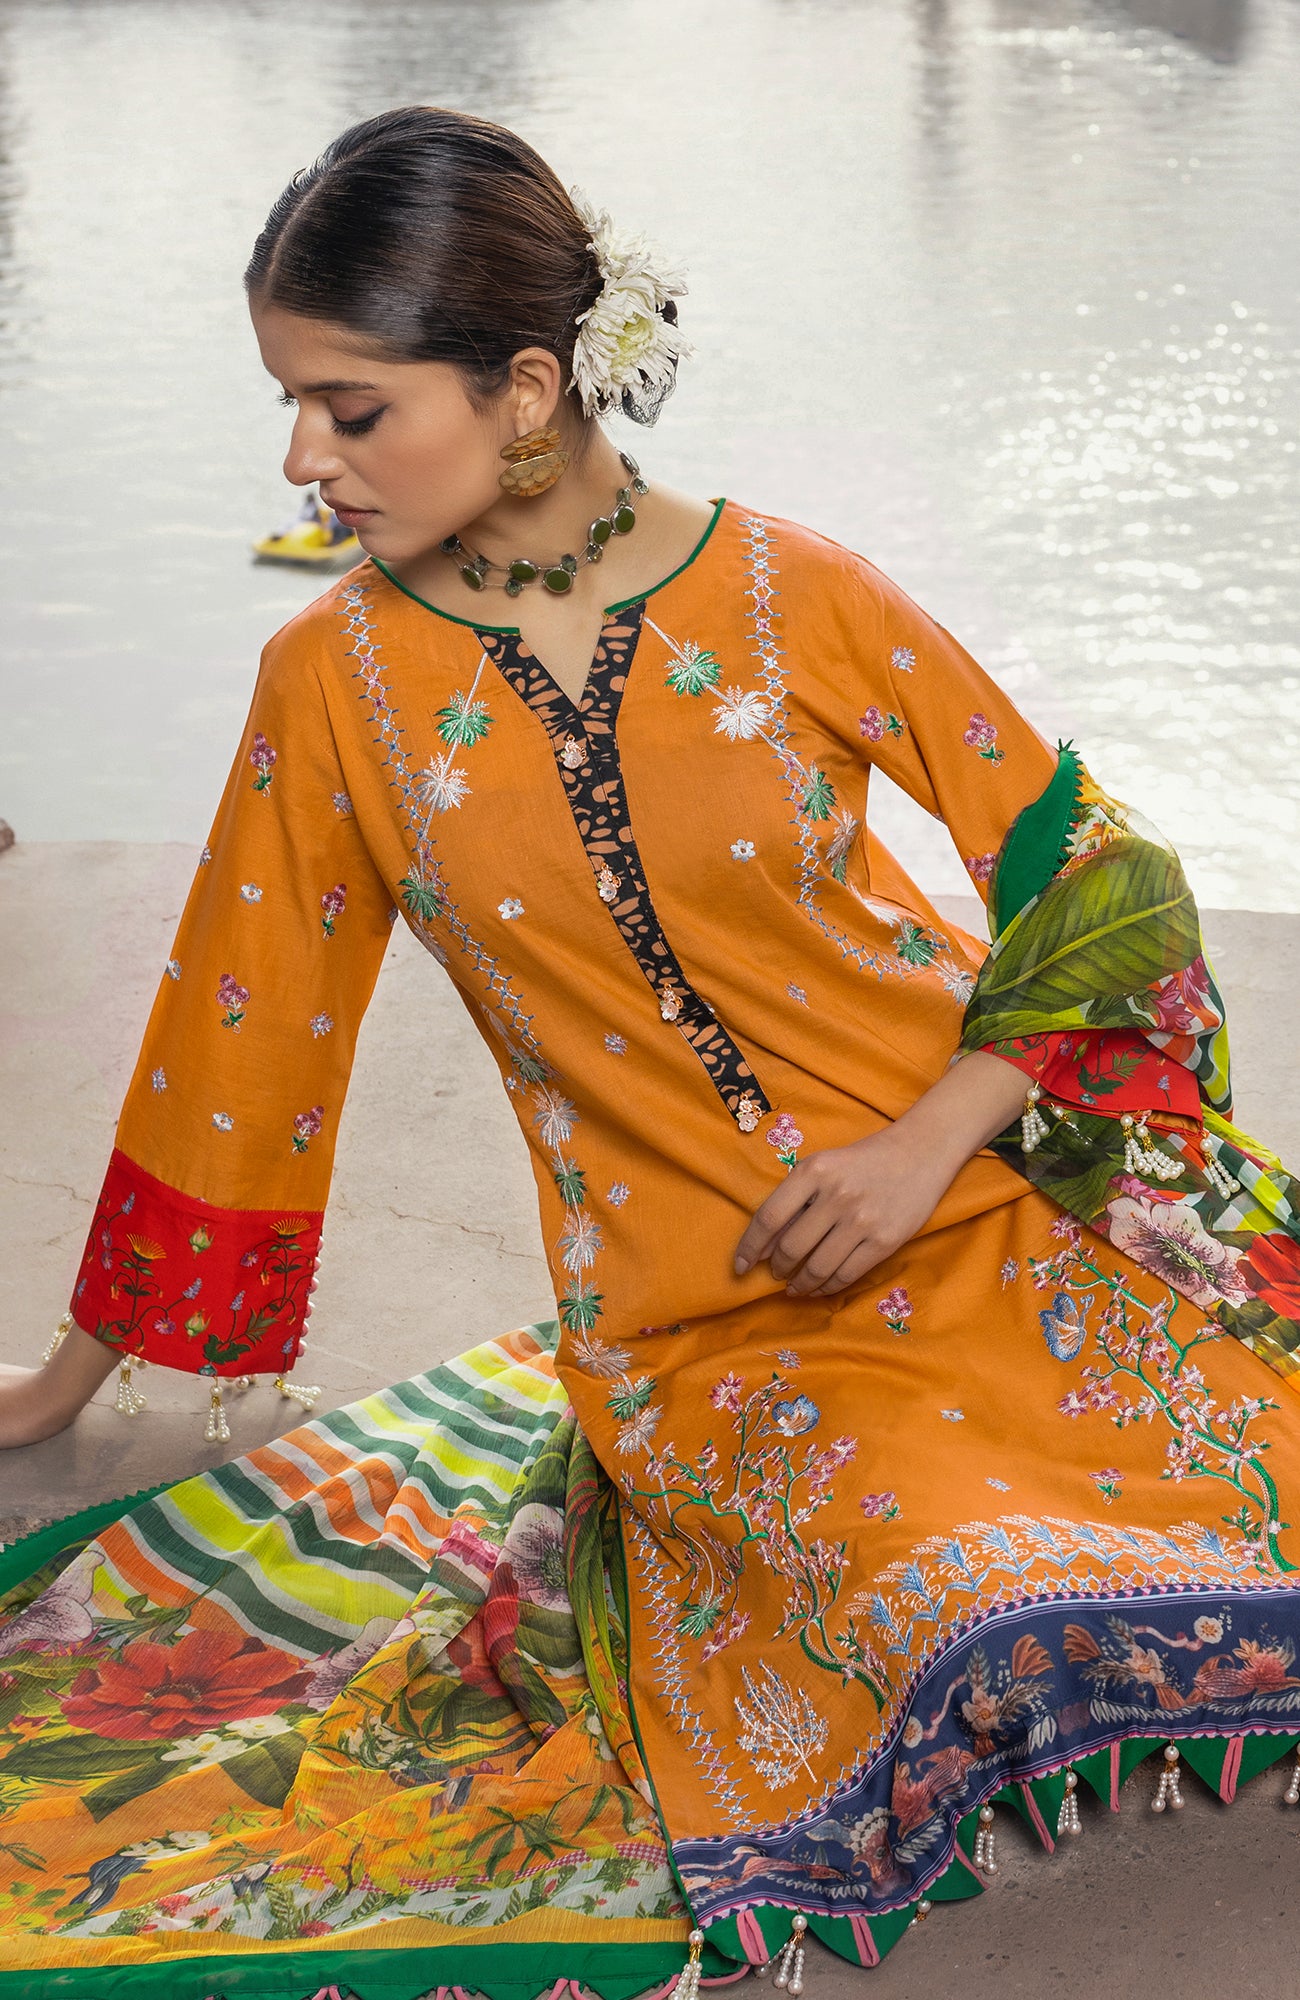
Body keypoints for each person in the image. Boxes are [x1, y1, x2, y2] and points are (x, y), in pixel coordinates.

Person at [1, 105, 1298, 1999]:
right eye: (291, 406)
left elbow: (1102, 874)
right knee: (953, 1587)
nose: (301, 461)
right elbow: (240, 1030)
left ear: (525, 389)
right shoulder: (334, 685)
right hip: (713, 1320)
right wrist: (65, 1378)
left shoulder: (796, 591)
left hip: (1003, 1198)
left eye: (350, 409)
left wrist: (927, 1142)